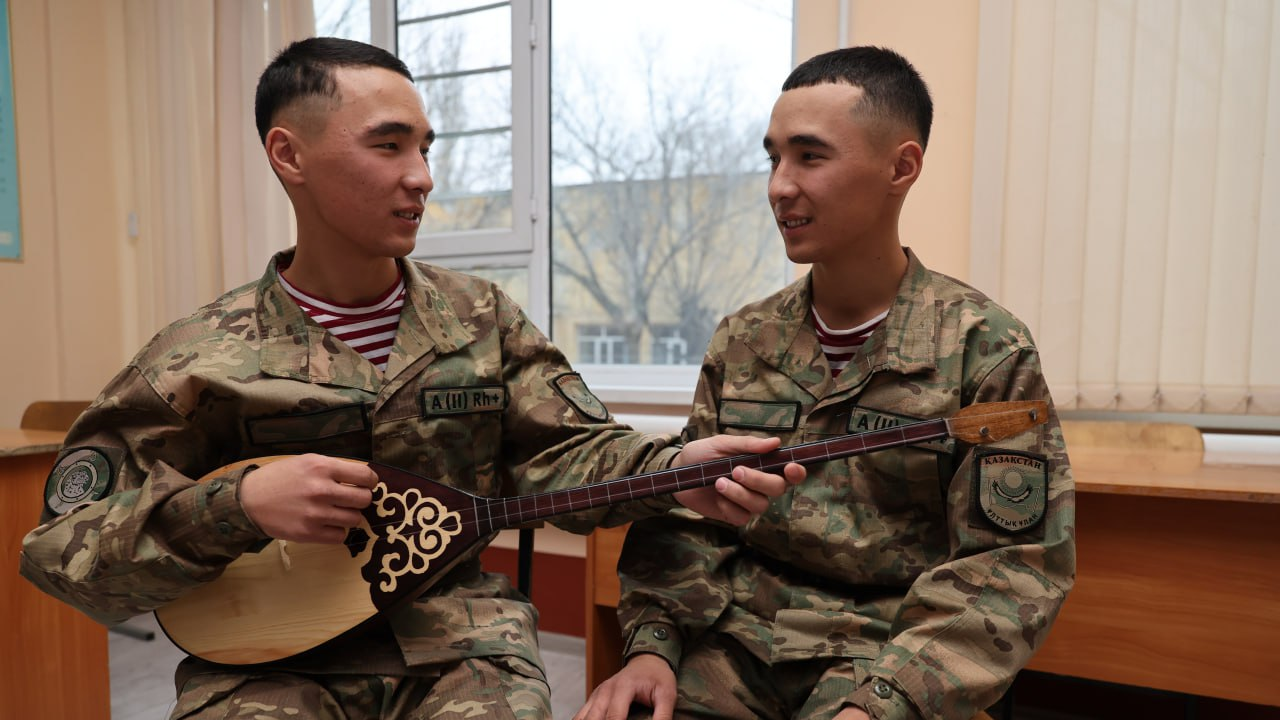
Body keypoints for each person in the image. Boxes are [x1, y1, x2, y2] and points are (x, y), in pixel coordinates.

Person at [19, 37, 804, 720]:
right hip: (263, 657)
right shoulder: (197, 356)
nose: (422, 177)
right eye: (389, 146)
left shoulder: (481, 320)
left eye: (426, 148)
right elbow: (61, 549)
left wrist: (672, 472)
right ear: (289, 155)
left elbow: (570, 455)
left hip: (460, 642)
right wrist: (238, 503)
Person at [576, 46, 1075, 720]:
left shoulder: (984, 348)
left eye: (810, 156)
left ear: (901, 167)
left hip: (889, 653)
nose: (780, 185)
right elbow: (693, 518)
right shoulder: (745, 340)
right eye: (773, 158)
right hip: (738, 644)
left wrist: (883, 702)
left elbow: (1011, 567)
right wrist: (652, 648)